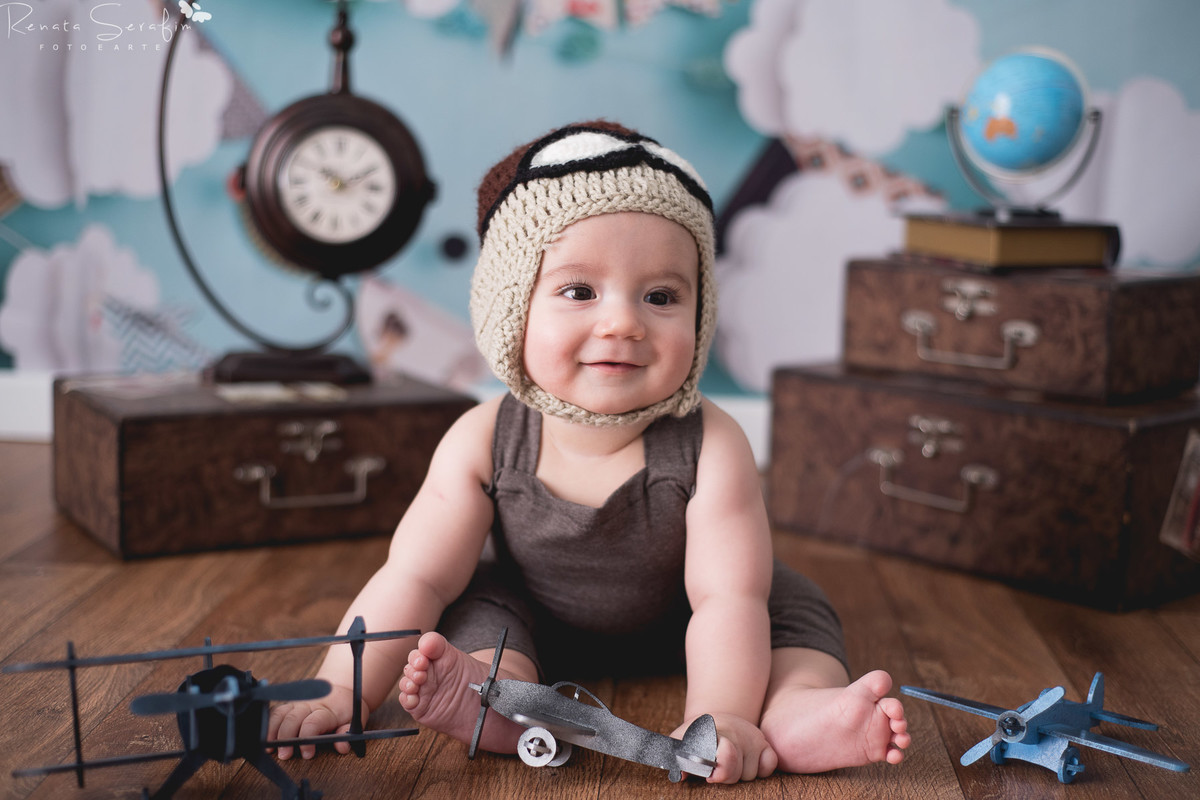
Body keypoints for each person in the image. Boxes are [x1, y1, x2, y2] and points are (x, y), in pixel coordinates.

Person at [268, 121, 909, 783]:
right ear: (512, 311)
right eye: (579, 291)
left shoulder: (711, 442)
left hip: (691, 617)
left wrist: (720, 718)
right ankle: (500, 697)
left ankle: (794, 708)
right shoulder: (484, 439)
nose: (623, 322)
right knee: (472, 615)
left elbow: (726, 600)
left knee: (791, 609)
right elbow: (415, 578)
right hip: (533, 610)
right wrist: (342, 690)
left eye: (661, 297)